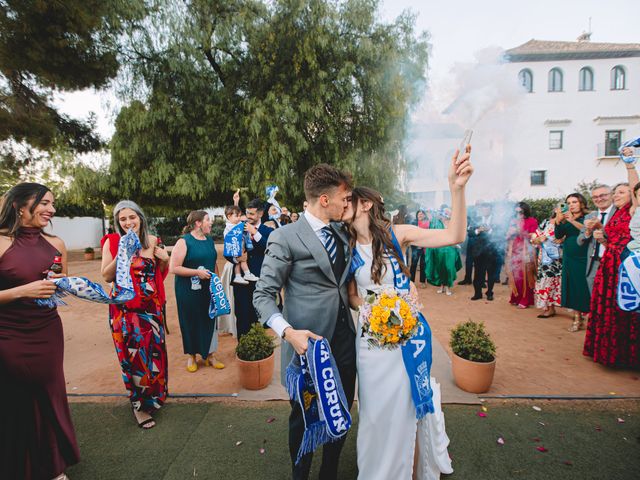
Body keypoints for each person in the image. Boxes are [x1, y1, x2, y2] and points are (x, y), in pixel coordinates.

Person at [346, 147, 471, 479]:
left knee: (406, 406)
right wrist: (373, 311)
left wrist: (456, 188)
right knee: (374, 412)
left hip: (407, 336)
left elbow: (454, 235)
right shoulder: (342, 243)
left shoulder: (396, 235)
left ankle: (409, 470)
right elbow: (352, 296)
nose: (344, 206)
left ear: (367, 204)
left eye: (350, 201)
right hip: (371, 342)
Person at [253, 164, 355, 480]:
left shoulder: (344, 230)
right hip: (306, 346)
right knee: (304, 417)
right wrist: (288, 333)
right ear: (324, 199)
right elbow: (263, 295)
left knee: (341, 408)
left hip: (344, 340)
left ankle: (329, 472)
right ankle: (301, 474)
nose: (347, 204)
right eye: (344, 198)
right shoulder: (285, 237)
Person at [0, 183, 79, 480]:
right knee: (18, 398)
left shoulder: (56, 244)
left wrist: (62, 284)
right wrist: (24, 291)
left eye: (53, 203)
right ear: (21, 205)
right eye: (45, 202)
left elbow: (62, 286)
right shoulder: (1, 243)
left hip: (47, 330)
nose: (52, 209)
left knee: (50, 394)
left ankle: (53, 466)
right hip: (8, 334)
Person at [101, 200, 169, 429]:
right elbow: (107, 276)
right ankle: (139, 406)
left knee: (154, 355)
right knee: (132, 358)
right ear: (117, 222)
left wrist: (165, 260)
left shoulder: (152, 242)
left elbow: (156, 276)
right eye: (123, 219)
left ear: (141, 218)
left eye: (132, 217)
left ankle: (155, 396)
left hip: (151, 310)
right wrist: (123, 252)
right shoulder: (112, 242)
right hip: (124, 311)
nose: (128, 223)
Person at [584, 156, 640, 367]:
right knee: (607, 310)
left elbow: (637, 189)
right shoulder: (617, 214)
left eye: (621, 192)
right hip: (609, 265)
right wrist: (602, 236)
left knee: (622, 311)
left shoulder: (634, 212)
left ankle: (623, 356)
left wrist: (629, 165)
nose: (616, 195)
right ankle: (606, 352)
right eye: (615, 192)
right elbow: (615, 242)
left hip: (625, 268)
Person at [170, 210, 225, 373]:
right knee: (191, 320)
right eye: (208, 220)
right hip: (188, 291)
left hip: (208, 289)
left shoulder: (209, 241)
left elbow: (213, 263)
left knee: (210, 319)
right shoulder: (184, 242)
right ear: (198, 223)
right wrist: (197, 272)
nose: (211, 222)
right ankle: (192, 356)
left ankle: (210, 355)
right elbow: (174, 268)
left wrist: (218, 283)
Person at [231, 198, 274, 338]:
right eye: (247, 213)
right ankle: (243, 346)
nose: (248, 216)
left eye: (251, 214)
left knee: (259, 314)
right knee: (242, 313)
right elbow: (229, 247)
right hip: (241, 279)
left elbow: (270, 248)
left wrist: (254, 232)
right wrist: (235, 258)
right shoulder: (238, 227)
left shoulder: (267, 230)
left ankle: (259, 346)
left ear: (261, 214)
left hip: (260, 279)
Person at [554, 194, 591, 331]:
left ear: (581, 203)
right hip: (569, 257)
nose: (571, 205)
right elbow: (558, 236)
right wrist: (558, 221)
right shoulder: (565, 219)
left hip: (584, 257)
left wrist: (571, 220)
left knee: (584, 287)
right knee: (573, 287)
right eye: (568, 202)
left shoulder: (588, 217)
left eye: (574, 202)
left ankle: (591, 317)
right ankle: (577, 318)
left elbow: (588, 231)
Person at [577, 185, 615, 294]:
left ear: (611, 195)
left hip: (613, 262)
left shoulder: (618, 213)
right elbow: (579, 241)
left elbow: (619, 239)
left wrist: (601, 228)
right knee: (594, 296)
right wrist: (588, 233)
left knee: (611, 297)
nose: (599, 199)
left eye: (603, 195)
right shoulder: (590, 216)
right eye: (595, 197)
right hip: (594, 263)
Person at [505, 202, 538, 308]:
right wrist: (509, 234)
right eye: (516, 212)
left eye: (521, 212)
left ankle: (525, 300)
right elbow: (507, 236)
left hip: (526, 250)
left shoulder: (532, 221)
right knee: (515, 274)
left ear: (525, 211)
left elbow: (534, 236)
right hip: (514, 250)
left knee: (526, 275)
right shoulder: (513, 221)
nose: (519, 214)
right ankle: (516, 297)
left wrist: (520, 231)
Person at [425, 208, 462, 295]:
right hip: (440, 249)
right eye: (445, 213)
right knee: (440, 268)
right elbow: (433, 234)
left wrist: (456, 244)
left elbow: (457, 235)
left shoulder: (454, 224)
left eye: (449, 213)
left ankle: (448, 287)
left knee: (449, 268)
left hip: (451, 249)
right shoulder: (437, 223)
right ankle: (441, 286)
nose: (447, 215)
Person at [532, 212, 562, 318]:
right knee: (545, 282)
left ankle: (577, 313)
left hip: (559, 259)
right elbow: (534, 238)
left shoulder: (564, 223)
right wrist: (539, 239)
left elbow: (564, 240)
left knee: (558, 282)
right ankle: (549, 308)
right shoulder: (546, 223)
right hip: (544, 259)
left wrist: (556, 241)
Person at [469, 202, 501, 301]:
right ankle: (477, 293)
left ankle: (489, 293)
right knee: (478, 273)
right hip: (479, 252)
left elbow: (501, 233)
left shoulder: (496, 220)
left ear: (490, 210)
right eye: (483, 209)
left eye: (486, 209)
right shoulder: (476, 220)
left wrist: (489, 230)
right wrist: (478, 231)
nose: (484, 211)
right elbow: (470, 232)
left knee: (491, 273)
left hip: (492, 251)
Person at [223, 205, 260, 285]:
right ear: (229, 216)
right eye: (237, 216)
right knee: (242, 260)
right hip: (235, 246)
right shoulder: (229, 226)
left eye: (240, 216)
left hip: (240, 245)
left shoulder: (236, 223)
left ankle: (238, 275)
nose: (239, 218)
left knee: (239, 262)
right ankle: (247, 274)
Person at [410, 209, 429, 287]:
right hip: (415, 247)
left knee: (423, 264)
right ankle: (411, 281)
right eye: (418, 214)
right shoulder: (413, 223)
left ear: (424, 215)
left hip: (425, 247)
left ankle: (422, 282)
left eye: (421, 214)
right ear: (416, 215)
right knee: (413, 264)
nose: (420, 215)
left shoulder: (427, 223)